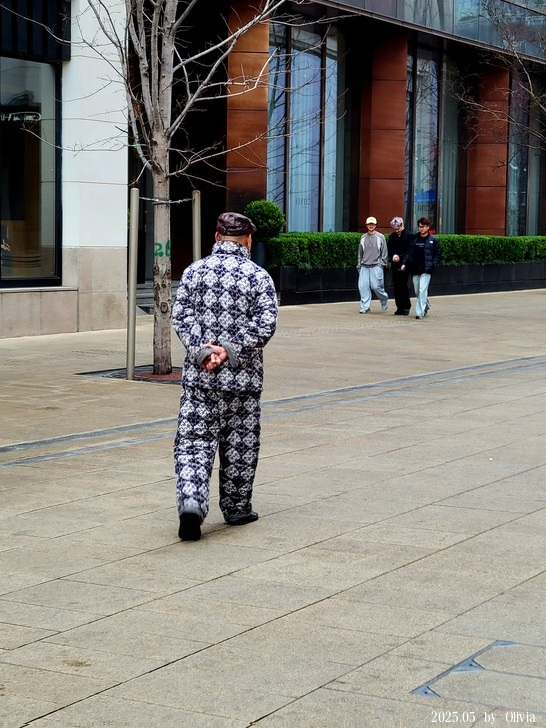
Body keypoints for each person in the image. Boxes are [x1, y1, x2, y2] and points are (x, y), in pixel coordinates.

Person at [172, 211, 278, 541]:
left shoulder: (193, 272)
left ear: (217, 237)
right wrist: (229, 350)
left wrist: (204, 352)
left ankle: (192, 502)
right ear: (248, 241)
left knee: (193, 443)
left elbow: (181, 316)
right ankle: (236, 507)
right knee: (240, 445)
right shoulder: (258, 277)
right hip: (242, 381)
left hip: (200, 380)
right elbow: (266, 323)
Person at [401, 217, 441, 320]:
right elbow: (409, 253)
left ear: (428, 227)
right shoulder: (414, 239)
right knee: (417, 291)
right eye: (420, 226)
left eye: (423, 227)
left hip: (427, 269)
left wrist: (433, 264)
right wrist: (404, 263)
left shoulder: (433, 240)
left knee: (422, 290)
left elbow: (437, 254)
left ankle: (419, 312)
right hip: (415, 269)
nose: (421, 228)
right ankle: (426, 306)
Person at [357, 216, 389, 314]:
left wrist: (382, 264)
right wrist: (359, 265)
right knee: (363, 287)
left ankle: (384, 298)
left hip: (376, 266)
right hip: (364, 266)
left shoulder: (380, 237)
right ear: (366, 225)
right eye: (369, 224)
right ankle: (365, 307)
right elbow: (360, 253)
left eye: (373, 224)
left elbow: (384, 252)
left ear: (375, 225)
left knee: (376, 286)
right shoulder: (363, 237)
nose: (371, 226)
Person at [387, 216, 413, 315]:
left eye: (398, 228)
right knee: (396, 286)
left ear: (402, 225)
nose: (396, 231)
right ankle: (399, 307)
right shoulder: (392, 237)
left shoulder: (409, 236)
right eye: (395, 229)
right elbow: (390, 249)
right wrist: (393, 255)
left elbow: (409, 251)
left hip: (405, 264)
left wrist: (401, 258)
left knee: (403, 285)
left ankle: (406, 306)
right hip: (395, 264)